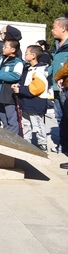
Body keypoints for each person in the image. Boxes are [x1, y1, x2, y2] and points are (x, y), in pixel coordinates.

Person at [12, 45, 49, 150]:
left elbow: (37, 88)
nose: (25, 54)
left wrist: (21, 90)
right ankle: (26, 142)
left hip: (36, 102)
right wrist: (18, 86)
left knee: (38, 124)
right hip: (26, 101)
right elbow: (24, 82)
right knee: (26, 124)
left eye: (27, 53)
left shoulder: (39, 70)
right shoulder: (28, 68)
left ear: (34, 55)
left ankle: (42, 144)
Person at [0, 39, 23, 133]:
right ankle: (6, 137)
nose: (3, 48)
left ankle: (13, 139)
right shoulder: (0, 59)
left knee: (11, 119)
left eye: (5, 47)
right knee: (3, 118)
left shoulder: (17, 62)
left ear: (13, 50)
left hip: (8, 93)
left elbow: (14, 76)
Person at [49, 17, 68, 154]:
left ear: (63, 28)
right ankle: (63, 145)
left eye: (54, 27)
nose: (52, 30)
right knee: (60, 117)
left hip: (65, 87)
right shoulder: (57, 45)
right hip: (56, 88)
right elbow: (53, 66)